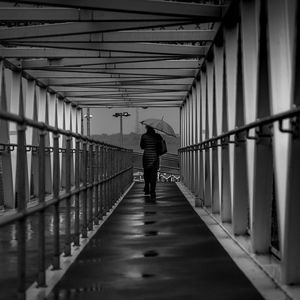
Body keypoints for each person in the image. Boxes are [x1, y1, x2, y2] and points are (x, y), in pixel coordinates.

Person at [140, 125, 162, 199]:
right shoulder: (157, 136)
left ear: (147, 128)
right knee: (153, 175)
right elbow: (160, 146)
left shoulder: (144, 136)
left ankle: (146, 187)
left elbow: (142, 146)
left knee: (146, 173)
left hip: (146, 157)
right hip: (155, 158)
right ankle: (152, 191)